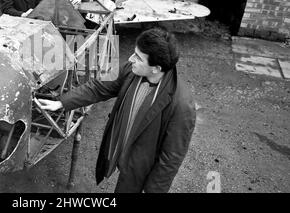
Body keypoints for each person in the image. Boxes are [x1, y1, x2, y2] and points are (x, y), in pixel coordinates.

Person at [38, 28, 196, 193]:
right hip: (121, 150)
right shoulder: (131, 69)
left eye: (138, 57)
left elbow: (171, 159)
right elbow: (99, 87)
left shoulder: (182, 105)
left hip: (140, 168)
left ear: (156, 68)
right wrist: (62, 103)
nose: (130, 58)